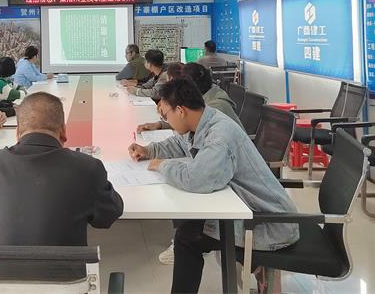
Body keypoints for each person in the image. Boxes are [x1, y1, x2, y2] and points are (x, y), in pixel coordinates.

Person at [128, 79, 299, 293]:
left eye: (165, 115)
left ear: (180, 110)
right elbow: (180, 143)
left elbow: (197, 179)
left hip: (270, 224)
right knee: (190, 228)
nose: (165, 120)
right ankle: (255, 266)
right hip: (252, 210)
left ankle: (255, 263)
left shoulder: (220, 135)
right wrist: (149, 150)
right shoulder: (205, 121)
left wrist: (162, 165)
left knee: (187, 237)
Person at [0, 92, 124, 245]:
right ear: (63, 132)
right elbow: (108, 215)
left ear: (18, 133)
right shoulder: (88, 169)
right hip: (63, 264)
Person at [138, 62, 242, 132]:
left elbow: (192, 126)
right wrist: (161, 125)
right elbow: (190, 122)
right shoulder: (205, 95)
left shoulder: (215, 107)